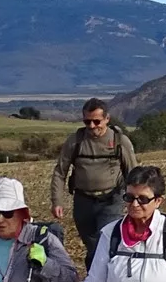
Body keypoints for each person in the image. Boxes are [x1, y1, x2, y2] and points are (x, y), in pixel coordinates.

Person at [50, 97, 137, 263]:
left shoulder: (119, 141)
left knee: (105, 242)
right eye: (87, 121)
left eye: (96, 121)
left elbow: (132, 173)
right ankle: (94, 275)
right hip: (83, 201)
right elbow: (60, 172)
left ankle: (105, 276)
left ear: (107, 119)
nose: (91, 126)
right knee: (91, 245)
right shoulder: (75, 141)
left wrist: (134, 201)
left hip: (111, 200)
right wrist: (57, 201)